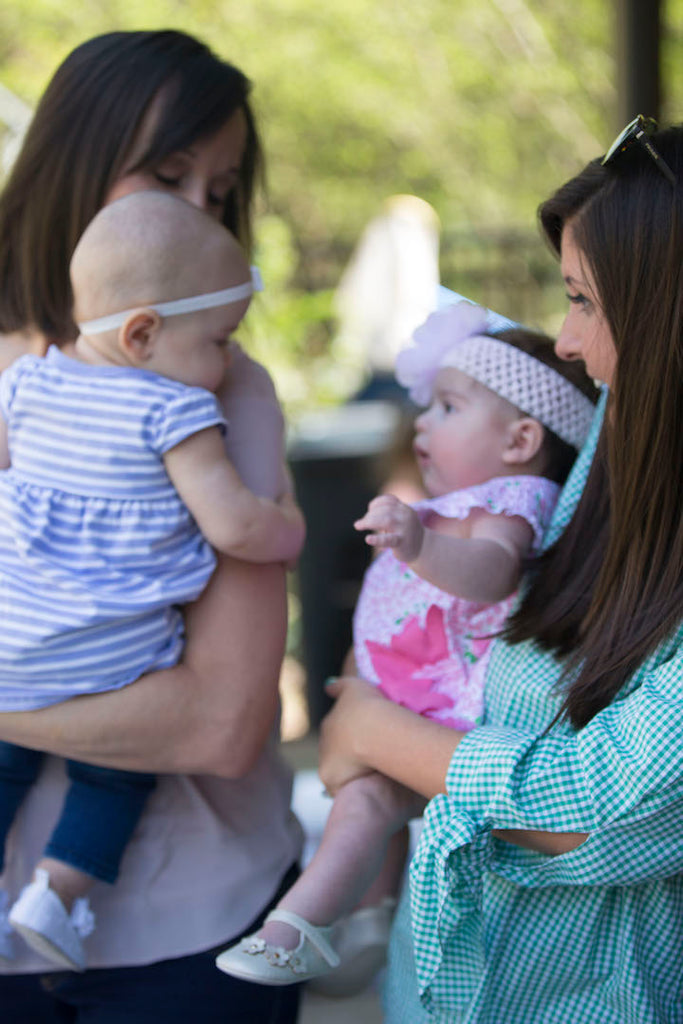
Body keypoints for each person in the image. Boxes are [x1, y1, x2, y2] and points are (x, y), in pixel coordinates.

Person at [316, 118, 683, 1023]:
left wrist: (373, 730)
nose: (562, 339)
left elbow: (609, 807)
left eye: (585, 301)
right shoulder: (616, 428)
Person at [0, 29, 304, 1023]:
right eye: (168, 174)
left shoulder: (215, 390)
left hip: (183, 930)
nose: (197, 211)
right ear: (75, 156)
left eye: (217, 191)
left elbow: (219, 724)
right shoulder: (24, 386)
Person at [214, 302, 598, 987]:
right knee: (365, 807)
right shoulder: (461, 501)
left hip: (450, 707)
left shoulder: (511, 502)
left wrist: (419, 545)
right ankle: (363, 916)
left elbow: (490, 575)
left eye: (447, 407)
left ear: (519, 440)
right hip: (411, 695)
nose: (420, 421)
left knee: (366, 802)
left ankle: (296, 926)